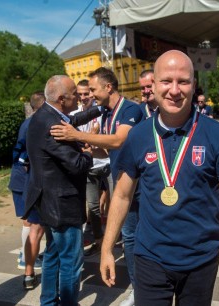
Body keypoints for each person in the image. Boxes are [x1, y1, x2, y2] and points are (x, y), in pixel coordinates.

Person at [99, 50, 219, 306]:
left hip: (200, 260)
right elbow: (122, 196)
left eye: (183, 81)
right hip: (150, 259)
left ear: (193, 85)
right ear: (153, 85)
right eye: (166, 81)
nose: (174, 90)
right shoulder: (138, 136)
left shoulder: (217, 135)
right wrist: (106, 248)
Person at [50, 67, 143, 306]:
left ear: (108, 87)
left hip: (139, 186)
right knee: (131, 238)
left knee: (141, 237)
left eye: (92, 89)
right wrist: (90, 151)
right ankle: (138, 289)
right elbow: (110, 149)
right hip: (121, 184)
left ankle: (147, 287)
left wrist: (76, 136)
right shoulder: (106, 112)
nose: (89, 94)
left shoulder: (131, 109)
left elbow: (119, 140)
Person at [24, 75, 94, 306]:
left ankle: (48, 302)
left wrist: (100, 110)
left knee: (53, 256)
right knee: (72, 263)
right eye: (75, 92)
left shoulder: (45, 114)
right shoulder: (52, 125)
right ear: (63, 99)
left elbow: (73, 120)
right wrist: (88, 152)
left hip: (48, 202)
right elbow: (77, 165)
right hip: (62, 205)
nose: (80, 96)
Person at [70, 79, 111, 257]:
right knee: (93, 207)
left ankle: (121, 238)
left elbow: (108, 139)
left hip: (107, 163)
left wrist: (89, 138)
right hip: (89, 165)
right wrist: (91, 137)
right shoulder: (74, 114)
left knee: (117, 203)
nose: (83, 97)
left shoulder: (102, 112)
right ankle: (99, 241)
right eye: (79, 94)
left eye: (86, 93)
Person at [8, 91, 45, 290]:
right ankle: (26, 261)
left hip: (24, 179)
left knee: (31, 224)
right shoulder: (34, 124)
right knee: (32, 224)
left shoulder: (30, 122)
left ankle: (27, 261)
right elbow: (22, 154)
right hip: (26, 181)